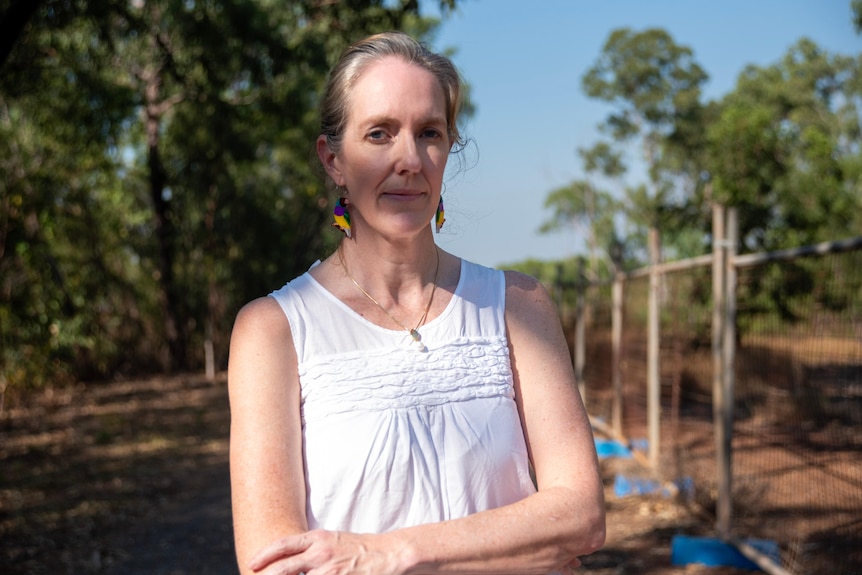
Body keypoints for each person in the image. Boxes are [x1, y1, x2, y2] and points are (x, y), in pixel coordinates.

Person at [227, 31, 605, 575]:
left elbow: (581, 516)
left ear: (449, 147)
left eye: (429, 132)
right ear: (333, 158)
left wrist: (389, 553)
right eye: (379, 134)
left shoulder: (517, 306)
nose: (409, 159)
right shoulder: (273, 330)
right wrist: (517, 543)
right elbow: (273, 563)